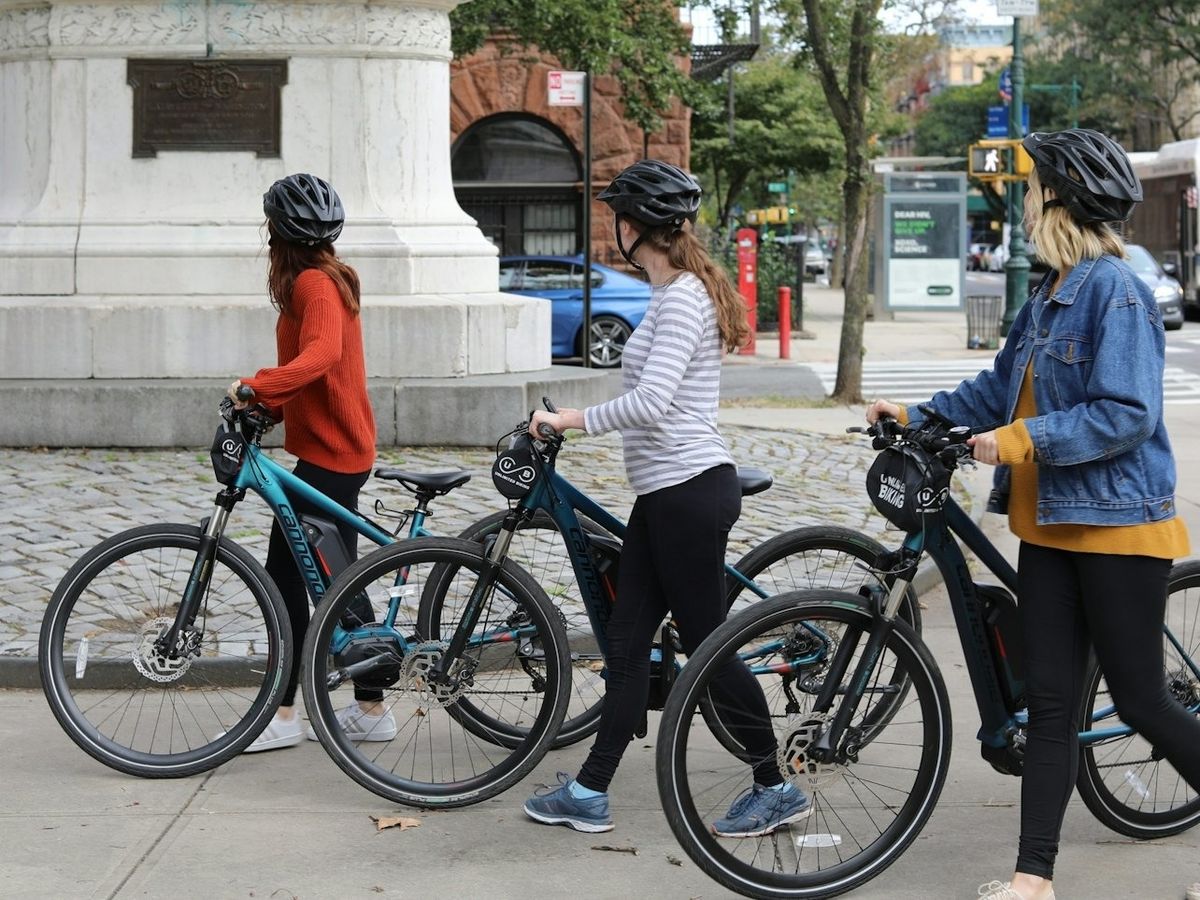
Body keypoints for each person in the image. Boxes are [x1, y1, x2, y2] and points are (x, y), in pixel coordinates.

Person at [866, 129, 1200, 900]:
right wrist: (917, 414)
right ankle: (1033, 879)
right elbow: (997, 389)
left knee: (1142, 701)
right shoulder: (1048, 293)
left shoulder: (1116, 292)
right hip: (1046, 529)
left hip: (1118, 529)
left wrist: (1017, 442)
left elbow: (1127, 413)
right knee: (1051, 706)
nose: (1023, 198)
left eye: (1033, 185)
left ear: (1059, 197)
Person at [521, 159, 810, 837]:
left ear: (635, 226)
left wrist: (571, 419)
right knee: (627, 645)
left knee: (708, 646)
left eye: (617, 218)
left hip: (689, 491)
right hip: (663, 495)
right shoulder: (669, 294)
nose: (613, 229)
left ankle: (774, 786)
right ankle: (589, 791)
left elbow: (652, 402)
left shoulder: (682, 298)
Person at [227, 173, 395, 751]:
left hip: (333, 455)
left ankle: (285, 715)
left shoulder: (314, 285)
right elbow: (314, 371)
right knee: (329, 576)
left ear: (275, 233)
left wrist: (257, 385)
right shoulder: (325, 280)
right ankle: (368, 706)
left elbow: (321, 356)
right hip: (336, 450)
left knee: (296, 578)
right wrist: (270, 408)